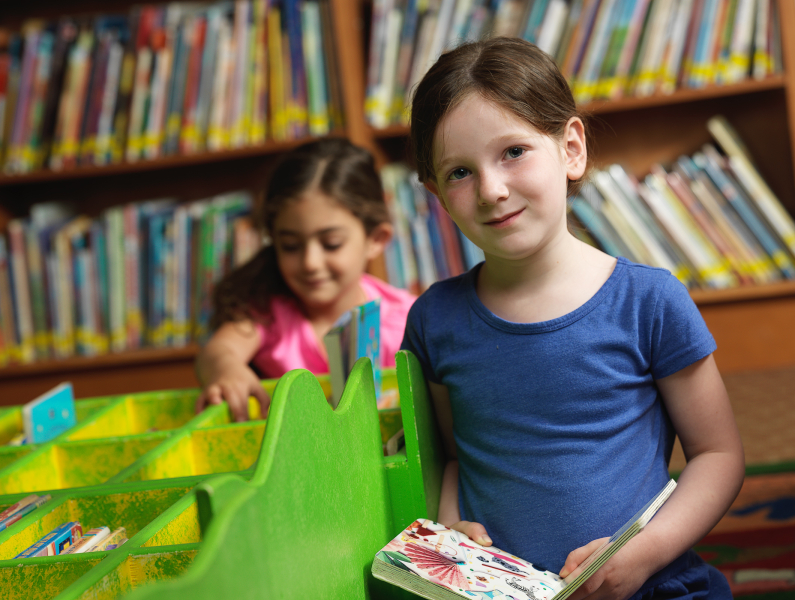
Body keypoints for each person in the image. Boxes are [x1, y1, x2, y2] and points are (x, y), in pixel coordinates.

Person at [402, 37, 744, 600]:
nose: (491, 190)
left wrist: (644, 554)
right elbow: (455, 457)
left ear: (571, 149)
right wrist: (450, 530)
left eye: (514, 152)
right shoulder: (434, 319)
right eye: (460, 172)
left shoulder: (649, 300)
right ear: (437, 194)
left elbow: (719, 455)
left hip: (650, 586)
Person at [196, 138, 416, 421]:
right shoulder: (267, 313)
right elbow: (218, 350)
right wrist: (226, 369)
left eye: (331, 244)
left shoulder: (407, 318)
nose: (310, 263)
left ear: (376, 239)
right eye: (290, 246)